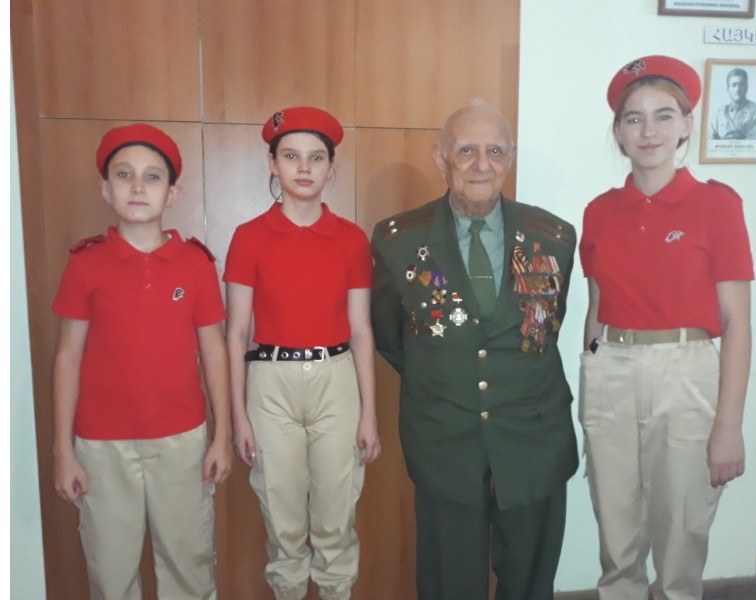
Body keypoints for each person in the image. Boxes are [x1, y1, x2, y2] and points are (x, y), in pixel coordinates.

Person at [371, 100, 578, 600]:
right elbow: (390, 336)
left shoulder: (554, 237)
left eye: (495, 151)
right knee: (449, 581)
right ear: (441, 158)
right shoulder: (400, 240)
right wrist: (448, 371)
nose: (481, 164)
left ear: (511, 157)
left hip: (533, 438)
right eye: (466, 150)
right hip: (445, 439)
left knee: (530, 582)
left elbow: (545, 329)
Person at [580, 55, 753, 600]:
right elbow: (596, 305)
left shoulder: (717, 204)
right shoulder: (599, 211)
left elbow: (737, 321)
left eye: (663, 116)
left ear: (685, 126)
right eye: (633, 118)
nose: (648, 131)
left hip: (686, 372)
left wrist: (729, 425)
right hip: (611, 368)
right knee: (615, 530)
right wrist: (591, 377)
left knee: (680, 531)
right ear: (618, 132)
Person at [51, 123, 232, 599]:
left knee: (188, 563)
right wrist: (63, 450)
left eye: (152, 177)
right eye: (124, 174)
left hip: (182, 439)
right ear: (105, 188)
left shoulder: (195, 264)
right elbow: (67, 357)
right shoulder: (85, 263)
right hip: (102, 445)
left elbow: (214, 350)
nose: (137, 186)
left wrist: (223, 435)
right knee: (111, 571)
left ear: (173, 194)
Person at [224, 106, 381, 600]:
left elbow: (361, 331)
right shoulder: (248, 237)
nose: (304, 167)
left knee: (337, 518)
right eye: (291, 156)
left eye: (317, 157)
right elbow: (236, 333)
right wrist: (237, 417)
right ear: (272, 164)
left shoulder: (351, 240)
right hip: (270, 383)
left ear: (332, 168)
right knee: (283, 521)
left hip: (337, 379)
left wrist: (369, 414)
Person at [709, 67, 756, 140]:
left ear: (746, 87)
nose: (737, 89)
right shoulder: (720, 112)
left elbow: (755, 140)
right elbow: (710, 137)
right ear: (728, 89)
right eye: (734, 85)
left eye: (741, 85)